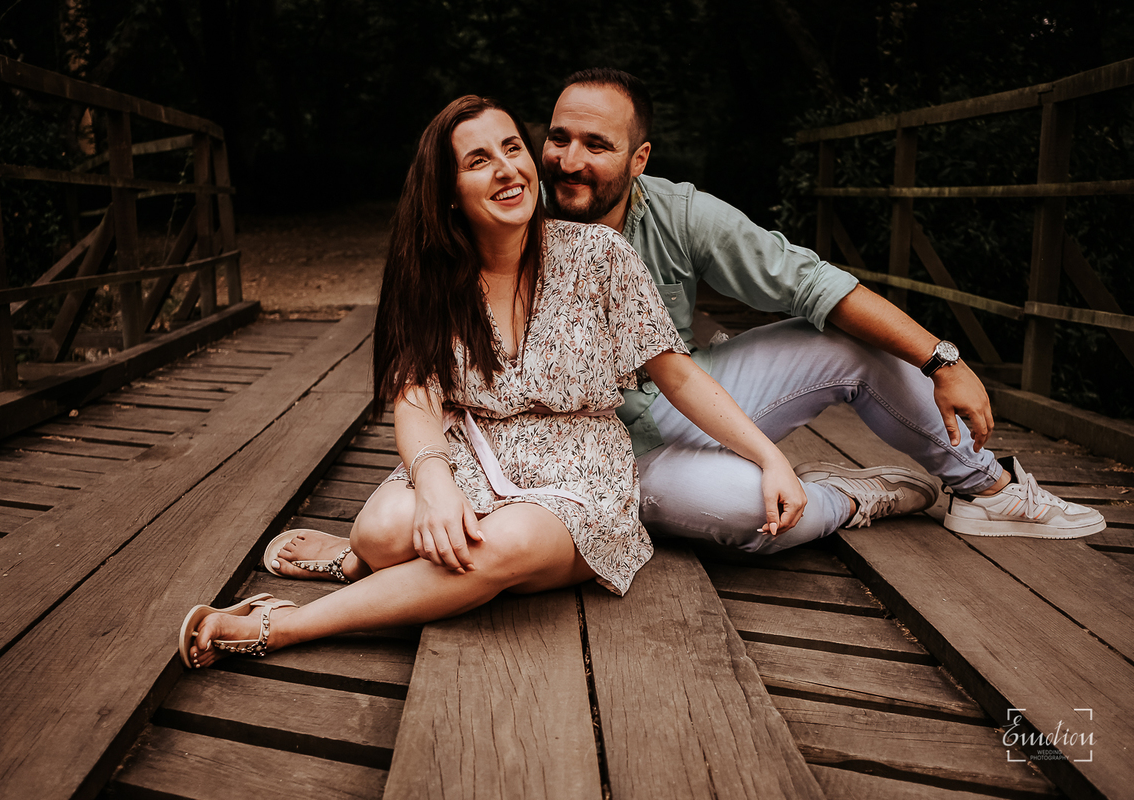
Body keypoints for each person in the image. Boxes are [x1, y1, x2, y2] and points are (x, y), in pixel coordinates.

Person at [179, 95, 807, 667]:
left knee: (496, 546)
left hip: (579, 475)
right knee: (382, 531)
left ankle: (289, 625)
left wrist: (768, 457)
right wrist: (434, 483)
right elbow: (417, 397)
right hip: (474, 453)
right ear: (450, 191)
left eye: (512, 148)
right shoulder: (433, 278)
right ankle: (359, 557)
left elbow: (679, 375)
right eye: (478, 160)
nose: (508, 169)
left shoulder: (599, 255)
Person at [537, 67, 1105, 552]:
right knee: (753, 515)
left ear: (639, 159)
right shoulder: (512, 214)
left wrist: (942, 360)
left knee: (845, 337)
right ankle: (851, 495)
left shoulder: (677, 213)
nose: (568, 161)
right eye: (559, 138)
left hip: (674, 397)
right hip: (590, 454)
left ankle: (988, 489)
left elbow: (814, 284)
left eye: (596, 144)